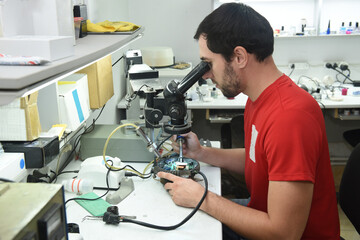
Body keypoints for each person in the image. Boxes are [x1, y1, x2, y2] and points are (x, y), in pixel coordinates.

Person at [157, 2, 340, 240]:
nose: (206, 74)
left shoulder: (289, 118)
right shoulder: (260, 98)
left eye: (209, 64)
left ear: (240, 56)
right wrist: (201, 153)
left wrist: (203, 198)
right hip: (263, 213)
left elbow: (284, 233)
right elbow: (259, 160)